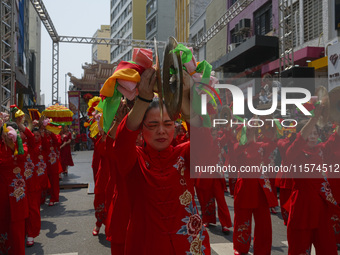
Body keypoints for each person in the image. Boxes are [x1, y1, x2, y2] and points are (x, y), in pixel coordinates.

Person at [111, 68, 211, 254]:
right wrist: (143, 99)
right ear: (141, 129)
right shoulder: (134, 160)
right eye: (153, 125)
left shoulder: (185, 153)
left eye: (167, 124)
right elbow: (123, 141)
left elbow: (205, 142)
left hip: (188, 245)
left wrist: (181, 100)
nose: (161, 131)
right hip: (146, 246)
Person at [285, 104, 340, 255]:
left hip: (322, 209)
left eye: (315, 133)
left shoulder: (321, 149)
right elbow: (299, 140)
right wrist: (314, 119)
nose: (313, 136)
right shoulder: (294, 154)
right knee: (299, 250)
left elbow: (336, 139)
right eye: (310, 133)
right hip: (302, 210)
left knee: (328, 249)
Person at [0, 121, 29, 255]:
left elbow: (22, 157)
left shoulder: (21, 147)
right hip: (3, 194)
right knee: (3, 224)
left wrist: (12, 147)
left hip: (17, 194)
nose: (7, 136)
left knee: (17, 227)